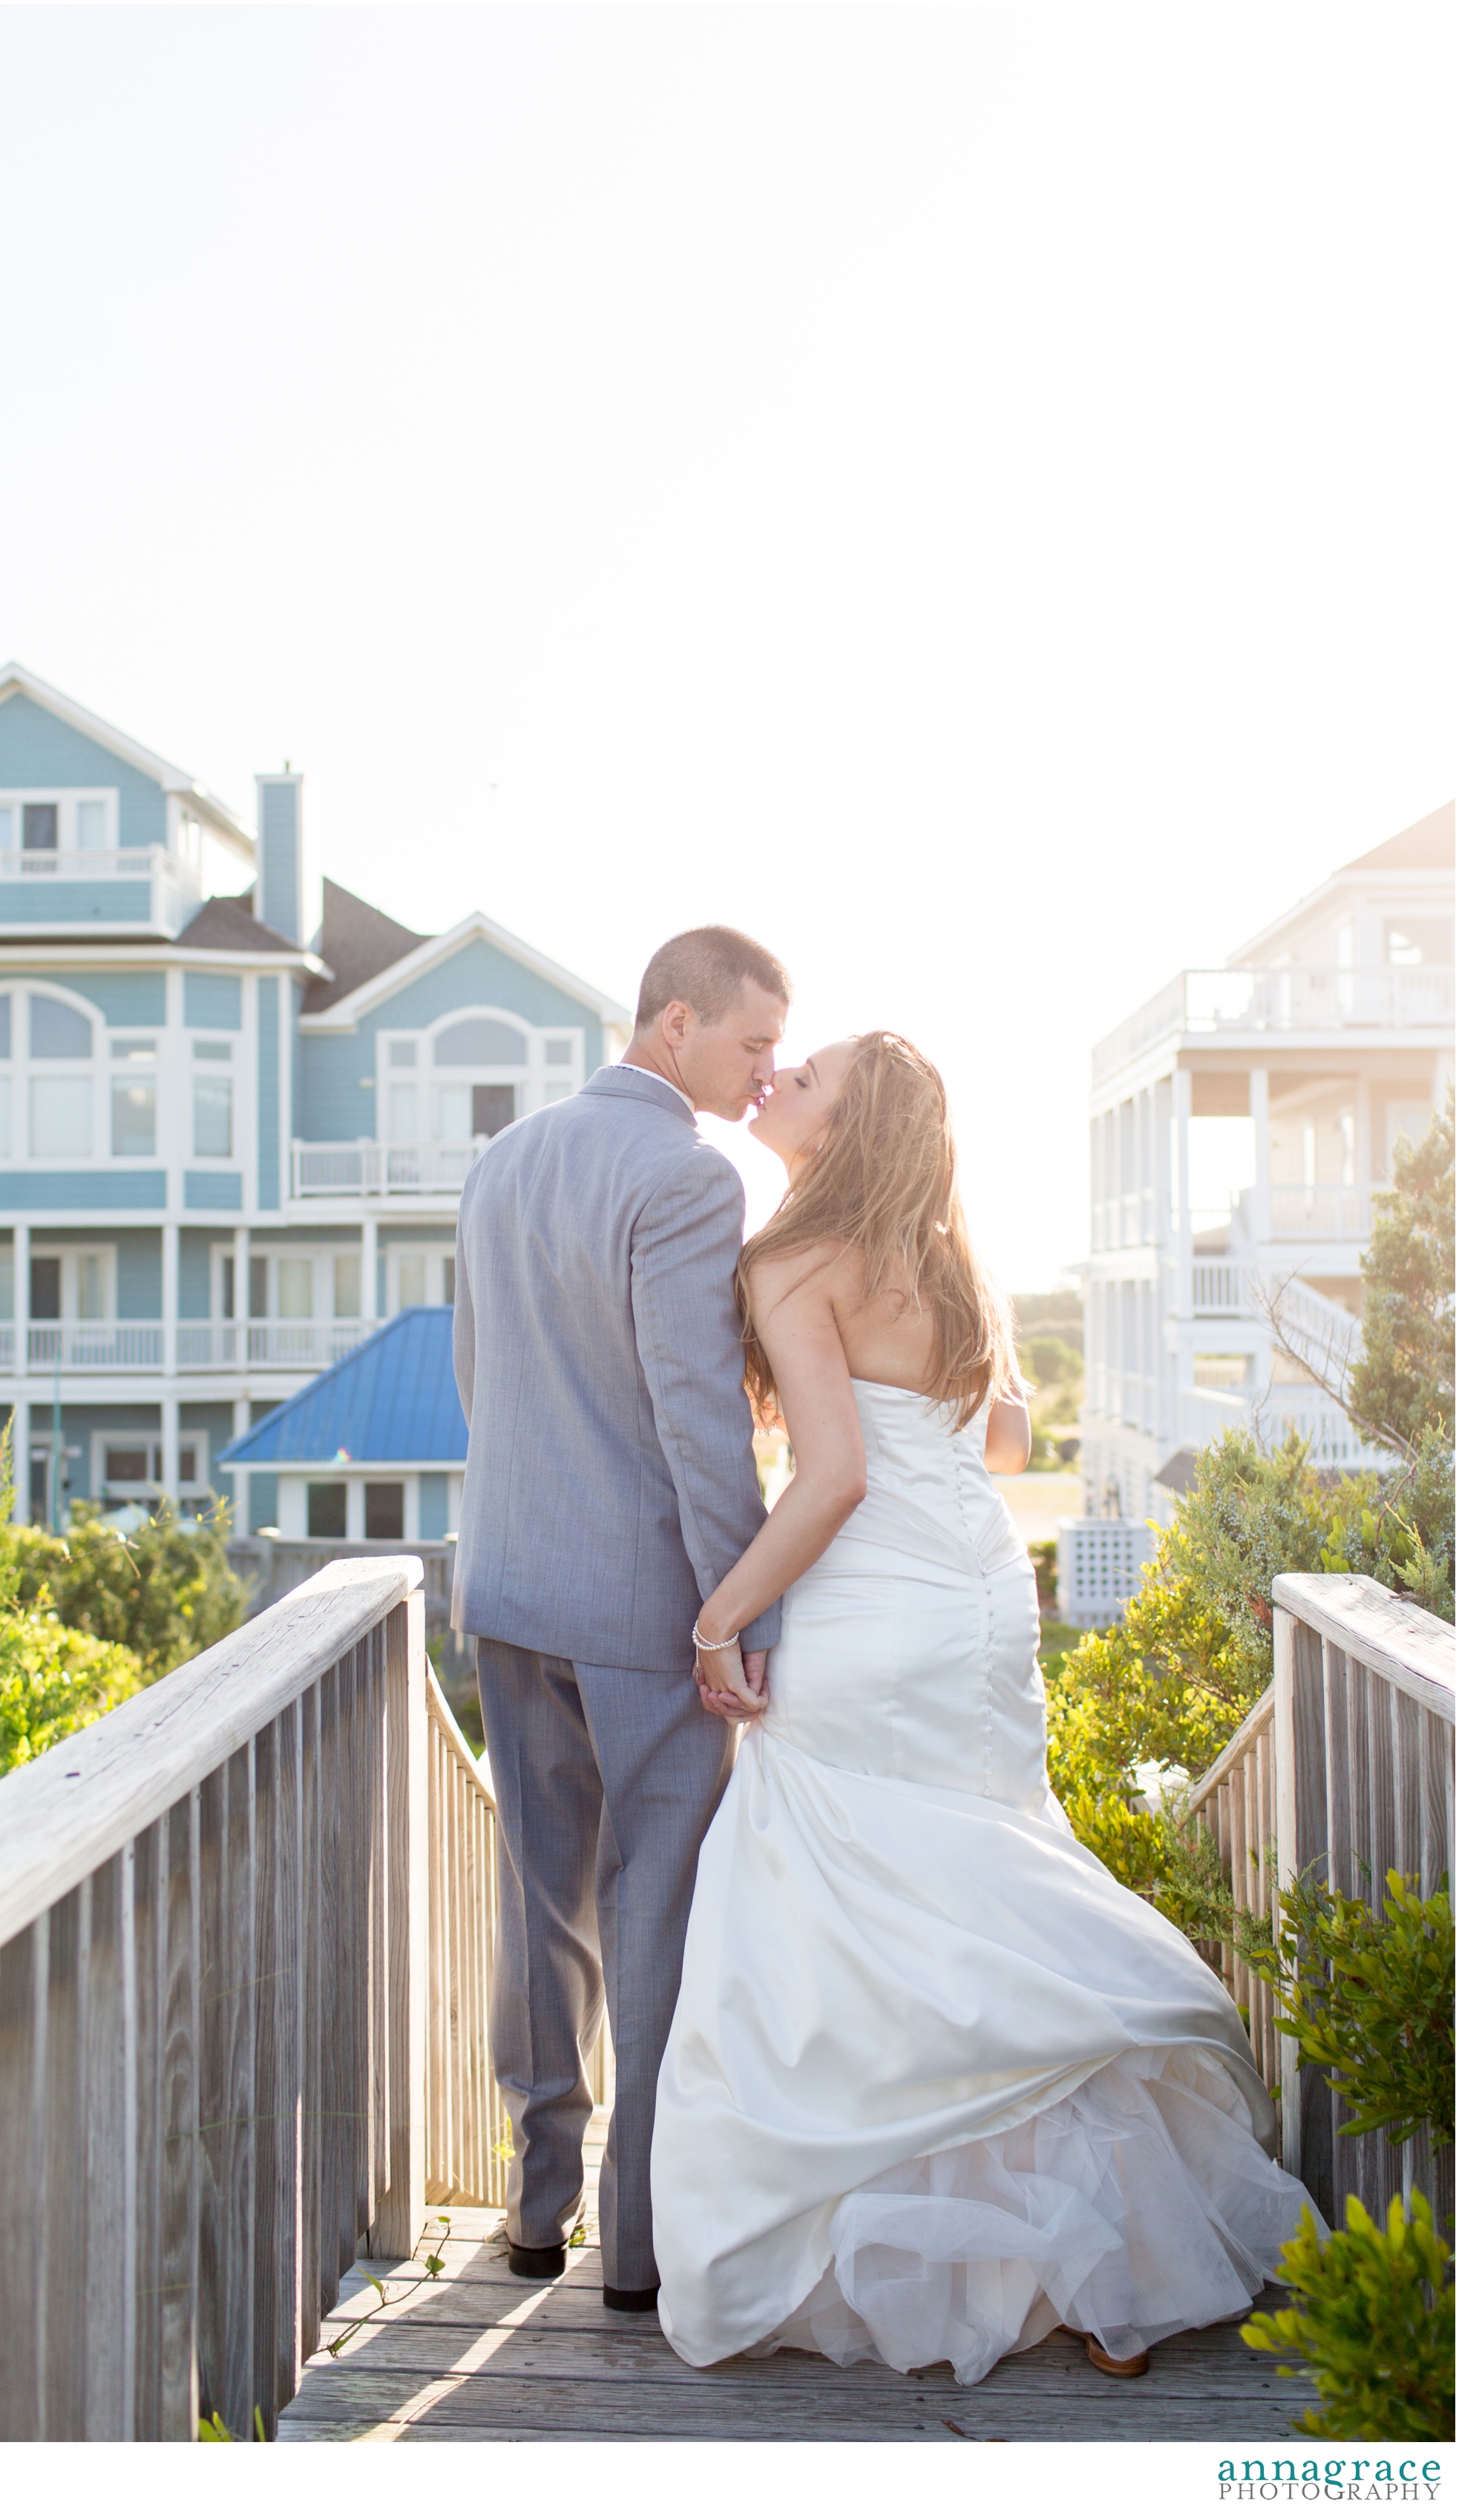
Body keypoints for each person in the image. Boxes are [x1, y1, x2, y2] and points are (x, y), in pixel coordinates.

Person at [652, 1031, 1321, 2383]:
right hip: (978, 1604)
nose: (783, 1079)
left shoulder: (790, 1259)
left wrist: (721, 1616)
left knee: (858, 1910)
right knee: (972, 1894)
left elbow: (831, 1474)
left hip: (870, 1616)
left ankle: (995, 2254)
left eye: (813, 1076)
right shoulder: (951, 1262)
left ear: (845, 1133)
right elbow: (1006, 1440)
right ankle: (1092, 2255)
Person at [451, 925, 792, 2311]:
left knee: (540, 1899)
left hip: (510, 1582)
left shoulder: (505, 1157)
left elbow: (479, 1374)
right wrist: (741, 1604)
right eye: (752, 1043)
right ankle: (637, 2252)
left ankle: (537, 2216)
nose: (766, 1074)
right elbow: (700, 1420)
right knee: (650, 1908)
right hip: (646, 1604)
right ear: (673, 1026)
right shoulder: (686, 1174)